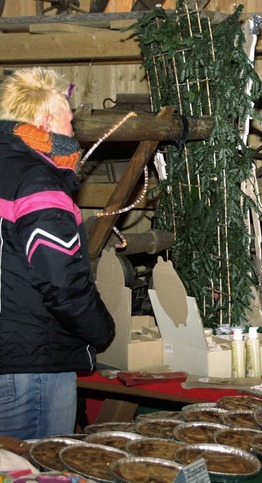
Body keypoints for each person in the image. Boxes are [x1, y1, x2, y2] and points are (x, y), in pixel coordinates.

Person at [0, 67, 115, 439]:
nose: (74, 134)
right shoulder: (38, 180)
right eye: (69, 123)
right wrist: (101, 331)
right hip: (31, 367)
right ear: (46, 121)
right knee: (38, 472)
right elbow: (63, 283)